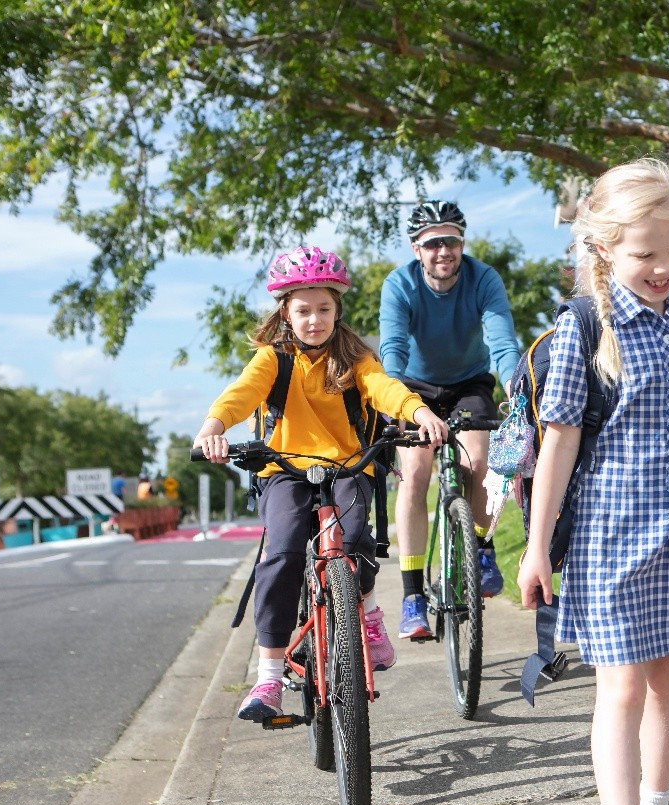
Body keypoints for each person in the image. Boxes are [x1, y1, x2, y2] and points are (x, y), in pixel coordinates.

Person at [517, 159, 669, 805]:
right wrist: (537, 547)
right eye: (644, 254)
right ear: (604, 250)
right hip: (607, 537)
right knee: (621, 685)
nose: (663, 267)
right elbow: (557, 444)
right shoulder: (585, 328)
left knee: (666, 681)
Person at [195, 245, 449, 722]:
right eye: (304, 310)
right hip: (284, 470)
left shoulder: (355, 356)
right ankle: (269, 675)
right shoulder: (275, 358)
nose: (315, 320)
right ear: (286, 313)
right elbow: (242, 394)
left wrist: (419, 412)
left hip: (349, 465)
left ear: (338, 309)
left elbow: (384, 388)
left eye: (324, 309)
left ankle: (368, 619)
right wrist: (214, 426)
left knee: (356, 542)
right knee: (282, 553)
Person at [379, 200, 521, 641]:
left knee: (481, 463)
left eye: (452, 241)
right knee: (415, 475)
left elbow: (501, 341)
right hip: (414, 389)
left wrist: (518, 385)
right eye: (433, 243)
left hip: (468, 384)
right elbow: (394, 348)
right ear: (416, 248)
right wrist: (394, 398)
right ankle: (412, 597)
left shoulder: (483, 278)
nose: (444, 251)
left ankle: (481, 550)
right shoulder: (399, 284)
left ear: (462, 243)